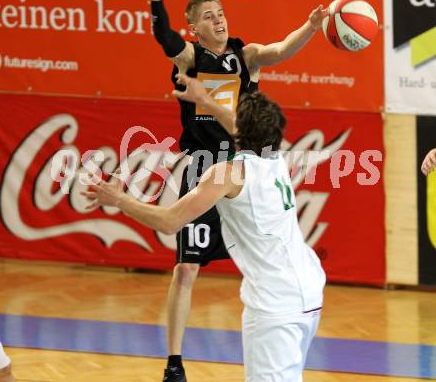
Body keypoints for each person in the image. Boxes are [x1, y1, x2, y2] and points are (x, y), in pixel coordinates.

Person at [143, 0, 327, 381]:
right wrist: (157, 2)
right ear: (194, 26)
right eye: (207, 16)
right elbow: (167, 41)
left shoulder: (246, 57)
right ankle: (175, 363)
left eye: (221, 12)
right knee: (186, 268)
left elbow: (281, 50)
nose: (218, 19)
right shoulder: (191, 58)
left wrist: (311, 27)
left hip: (246, 167)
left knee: (265, 250)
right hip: (206, 167)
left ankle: (279, 312)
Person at [81, 81, 326, 382]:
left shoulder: (227, 174)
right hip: (309, 290)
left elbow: (170, 221)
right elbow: (241, 128)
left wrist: (118, 200)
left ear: (239, 134)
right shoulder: (275, 158)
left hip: (276, 304)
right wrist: (206, 102)